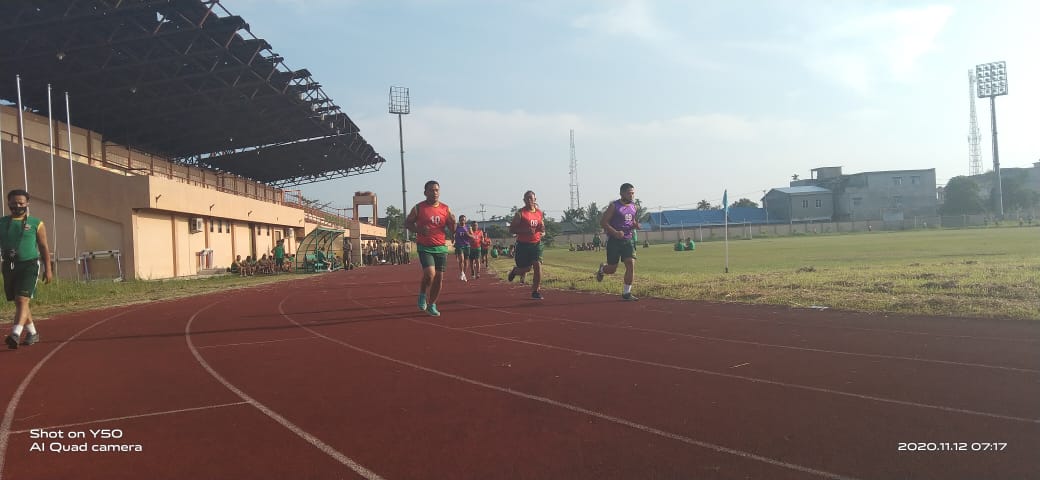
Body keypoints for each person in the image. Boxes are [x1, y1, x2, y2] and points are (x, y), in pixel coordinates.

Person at [2, 189, 53, 349]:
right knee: (19, 301)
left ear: (27, 204)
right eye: (14, 203)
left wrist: (48, 268)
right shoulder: (2, 223)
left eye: (21, 203)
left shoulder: (36, 223)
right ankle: (32, 333)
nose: (17, 206)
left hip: (29, 264)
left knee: (22, 299)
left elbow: (44, 247)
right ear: (8, 203)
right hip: (9, 265)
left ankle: (15, 334)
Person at [405, 180, 456, 317]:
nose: (435, 192)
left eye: (437, 190)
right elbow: (407, 223)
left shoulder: (446, 209)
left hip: (440, 247)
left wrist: (454, 222)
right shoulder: (418, 208)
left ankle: (432, 304)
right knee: (430, 274)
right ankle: (422, 293)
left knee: (439, 278)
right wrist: (419, 229)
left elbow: (452, 229)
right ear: (425, 192)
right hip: (425, 247)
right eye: (432, 190)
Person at [595, 183, 640, 301]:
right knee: (612, 269)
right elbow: (603, 222)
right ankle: (602, 269)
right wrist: (615, 233)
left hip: (628, 239)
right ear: (622, 193)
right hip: (614, 241)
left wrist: (635, 225)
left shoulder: (634, 207)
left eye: (633, 193)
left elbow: (632, 220)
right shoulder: (614, 206)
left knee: (630, 264)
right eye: (629, 193)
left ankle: (627, 293)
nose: (631, 196)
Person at [507, 190, 545, 300]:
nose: (529, 200)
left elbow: (541, 226)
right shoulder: (520, 214)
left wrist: (542, 229)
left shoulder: (539, 213)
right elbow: (511, 229)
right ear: (524, 200)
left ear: (535, 199)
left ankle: (535, 291)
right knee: (526, 269)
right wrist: (524, 231)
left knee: (537, 265)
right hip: (523, 245)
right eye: (527, 198)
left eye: (531, 198)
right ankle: (514, 271)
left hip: (536, 244)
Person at [452, 215, 471, 281]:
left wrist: (468, 235)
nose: (462, 221)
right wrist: (453, 238)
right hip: (459, 245)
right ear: (459, 220)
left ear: (465, 221)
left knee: (466, 261)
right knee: (461, 259)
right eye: (461, 220)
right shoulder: (457, 227)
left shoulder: (468, 227)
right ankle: (462, 272)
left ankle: (464, 274)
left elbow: (473, 236)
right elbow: (453, 233)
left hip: (467, 245)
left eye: (463, 220)